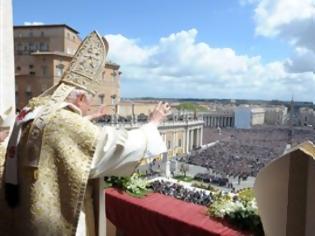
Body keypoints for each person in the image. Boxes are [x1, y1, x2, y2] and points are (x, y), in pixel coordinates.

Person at [0, 31, 170, 236]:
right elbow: (116, 147)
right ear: (80, 98)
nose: (90, 107)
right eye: (91, 100)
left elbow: (52, 134)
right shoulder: (68, 124)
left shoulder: (32, 113)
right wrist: (152, 124)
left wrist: (88, 119)